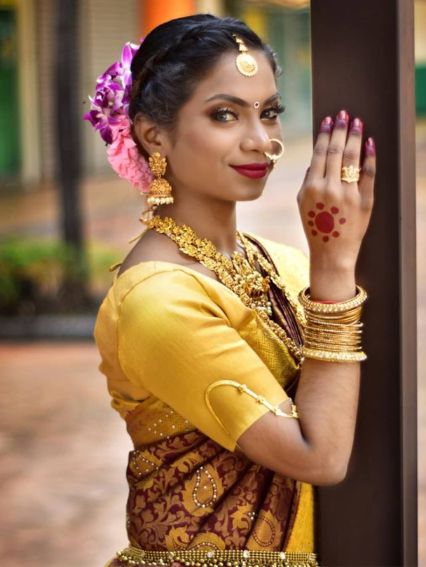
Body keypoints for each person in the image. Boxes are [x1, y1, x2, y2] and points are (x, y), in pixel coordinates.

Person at [86, 13, 376, 567]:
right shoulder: (157, 300)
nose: (263, 141)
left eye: (269, 113)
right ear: (153, 134)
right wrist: (336, 268)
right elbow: (319, 458)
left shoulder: (283, 264)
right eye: (225, 115)